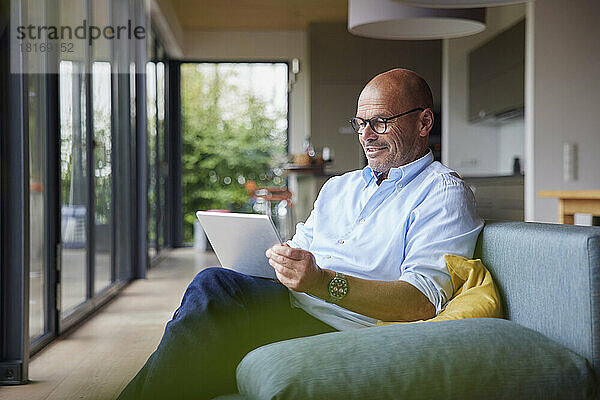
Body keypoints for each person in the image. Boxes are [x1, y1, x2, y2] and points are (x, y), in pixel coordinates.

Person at [117, 68, 483, 400]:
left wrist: (322, 282)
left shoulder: (442, 193)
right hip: (292, 303)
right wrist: (282, 258)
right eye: (360, 123)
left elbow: (422, 302)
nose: (366, 136)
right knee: (209, 299)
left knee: (212, 292)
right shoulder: (340, 187)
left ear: (424, 122)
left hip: (344, 326)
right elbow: (300, 247)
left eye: (381, 122)